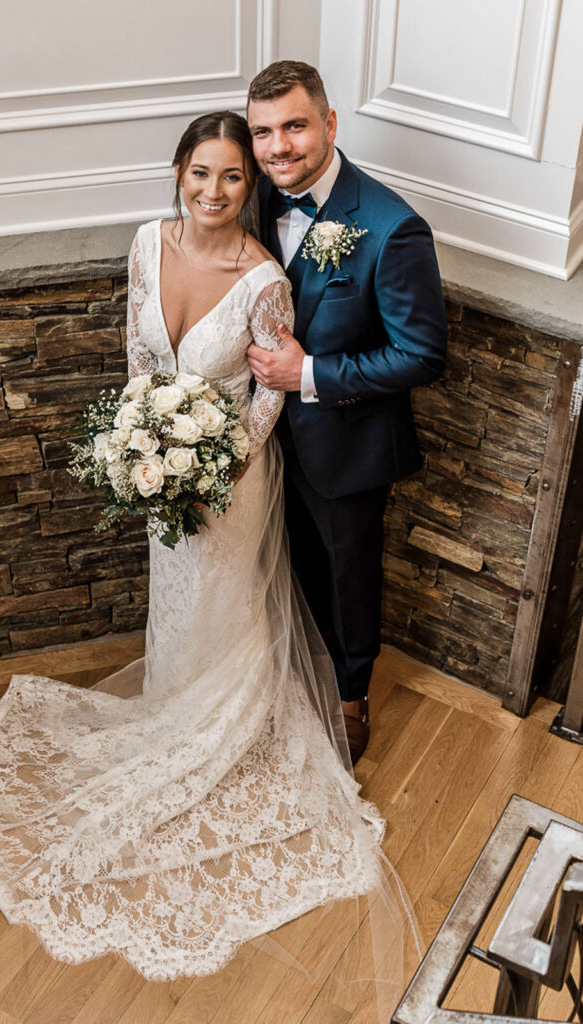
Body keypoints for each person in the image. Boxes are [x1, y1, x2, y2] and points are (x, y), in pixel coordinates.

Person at [0, 111, 418, 1021]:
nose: (213, 192)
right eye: (199, 173)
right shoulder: (146, 241)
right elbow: (138, 354)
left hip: (227, 480)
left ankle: (221, 726)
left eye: (230, 177)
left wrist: (213, 469)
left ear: (246, 186)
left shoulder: (262, 278)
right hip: (155, 472)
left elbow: (266, 394)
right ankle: (171, 709)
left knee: (224, 601)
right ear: (176, 172)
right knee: (171, 604)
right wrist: (141, 445)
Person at [246, 62, 448, 764]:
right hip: (262, 442)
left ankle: (350, 695)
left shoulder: (392, 228)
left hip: (347, 447)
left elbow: (421, 356)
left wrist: (307, 374)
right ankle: (290, 672)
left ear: (330, 124)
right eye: (263, 132)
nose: (278, 147)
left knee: (346, 575)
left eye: (294, 126)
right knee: (283, 564)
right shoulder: (249, 205)